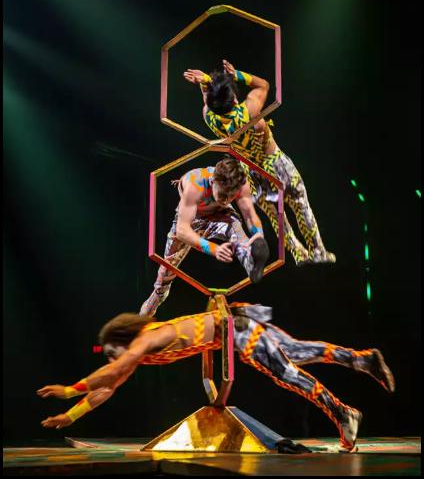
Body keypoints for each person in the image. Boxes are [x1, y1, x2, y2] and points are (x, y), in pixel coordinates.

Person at [37, 302, 395, 453]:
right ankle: (363, 360)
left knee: (287, 372)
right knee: (297, 352)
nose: (112, 359)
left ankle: (344, 413)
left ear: (121, 340)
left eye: (111, 351)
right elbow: (109, 385)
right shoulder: (138, 353)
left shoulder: (146, 339)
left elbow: (112, 372)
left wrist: (69, 390)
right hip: (238, 326)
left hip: (237, 329)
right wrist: (70, 414)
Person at [183, 60, 336, 267]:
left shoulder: (209, 117)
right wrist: (236, 74)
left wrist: (207, 81)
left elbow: (209, 99)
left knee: (276, 215)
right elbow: (263, 85)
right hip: (274, 164)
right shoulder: (248, 111)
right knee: (299, 203)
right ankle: (317, 250)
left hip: (252, 171)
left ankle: (297, 252)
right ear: (233, 97)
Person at [139, 157, 270, 316]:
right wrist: (214, 249)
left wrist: (259, 236)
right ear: (213, 181)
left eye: (231, 196)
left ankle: (250, 261)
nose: (226, 200)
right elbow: (182, 230)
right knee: (168, 267)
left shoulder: (240, 184)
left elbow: (249, 214)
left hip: (219, 215)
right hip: (191, 220)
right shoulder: (195, 184)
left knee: (235, 227)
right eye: (223, 194)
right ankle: (156, 297)